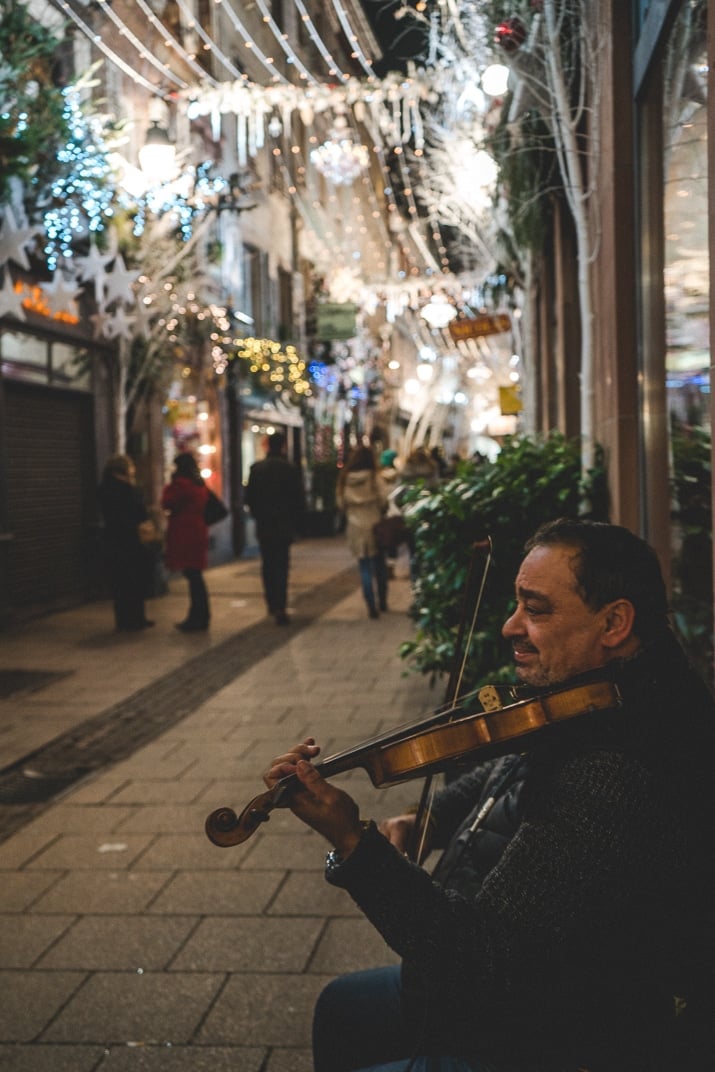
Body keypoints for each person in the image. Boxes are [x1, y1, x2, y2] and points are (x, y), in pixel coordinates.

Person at [264, 518, 715, 1072]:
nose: (510, 626)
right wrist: (424, 819)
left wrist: (355, 843)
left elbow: (478, 963)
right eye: (515, 605)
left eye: (537, 608)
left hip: (564, 1033)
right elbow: (510, 769)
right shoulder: (605, 697)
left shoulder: (619, 768)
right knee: (341, 1007)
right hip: (537, 993)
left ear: (615, 622)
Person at [245, 431, 305, 626]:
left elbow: (249, 498)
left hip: (265, 525)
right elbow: (299, 500)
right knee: (281, 564)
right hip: (283, 525)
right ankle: (280, 604)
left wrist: (258, 515)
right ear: (283, 446)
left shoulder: (256, 469)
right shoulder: (290, 469)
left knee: (268, 564)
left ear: (266, 445)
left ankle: (272, 602)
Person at [97, 453, 155, 632]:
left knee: (121, 581)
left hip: (114, 540)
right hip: (130, 540)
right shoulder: (127, 490)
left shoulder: (104, 488)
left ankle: (125, 620)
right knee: (133, 580)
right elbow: (140, 512)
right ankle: (136, 618)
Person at [336, 444, 389, 619]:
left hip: (355, 525)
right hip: (375, 525)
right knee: (379, 564)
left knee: (364, 566)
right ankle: (382, 600)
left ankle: (370, 604)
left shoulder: (345, 479)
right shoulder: (374, 477)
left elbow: (341, 503)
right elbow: (384, 500)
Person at [161, 452, 210, 632]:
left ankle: (197, 617)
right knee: (195, 575)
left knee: (193, 576)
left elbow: (166, 502)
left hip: (185, 532)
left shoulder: (181, 485)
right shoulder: (199, 484)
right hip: (198, 530)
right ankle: (200, 615)